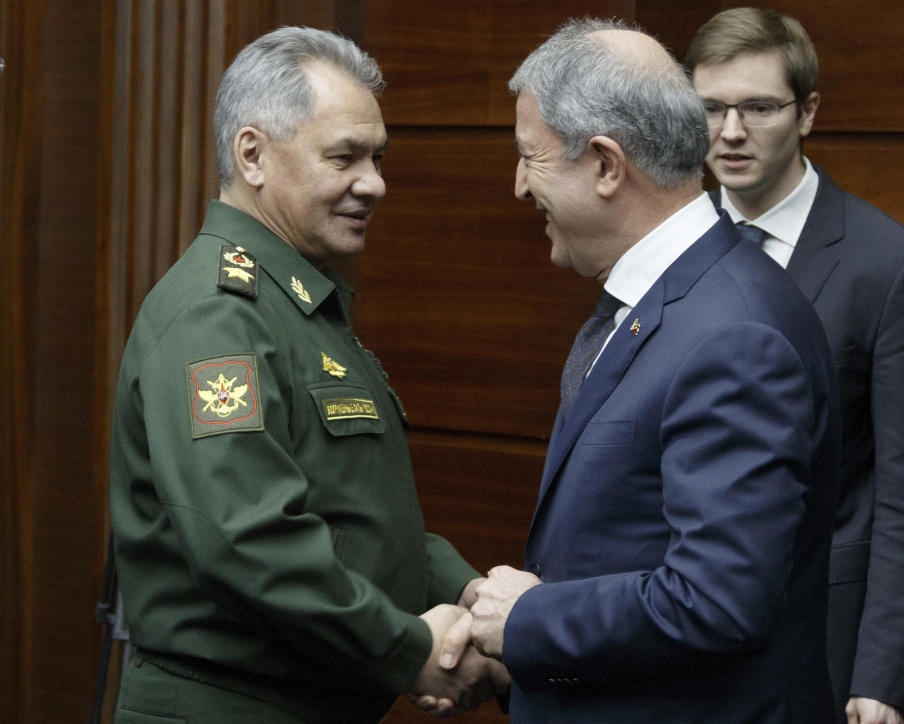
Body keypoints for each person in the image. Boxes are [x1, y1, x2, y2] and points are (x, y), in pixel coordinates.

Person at [440, 18, 841, 723]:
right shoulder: (668, 302)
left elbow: (715, 601)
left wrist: (531, 618)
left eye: (529, 156)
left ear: (604, 165)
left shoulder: (735, 335)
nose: (516, 186)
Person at [108, 26, 504, 722]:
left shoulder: (295, 304)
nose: (374, 183)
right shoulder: (216, 316)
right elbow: (247, 540)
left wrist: (479, 604)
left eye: (378, 157)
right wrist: (411, 648)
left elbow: (358, 520)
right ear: (253, 155)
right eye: (344, 157)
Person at [685, 9, 904, 723]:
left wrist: (885, 677)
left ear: (807, 112)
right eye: (711, 108)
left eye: (759, 107)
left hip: (821, 639)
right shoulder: (670, 246)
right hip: (679, 627)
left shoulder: (889, 267)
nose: (731, 132)